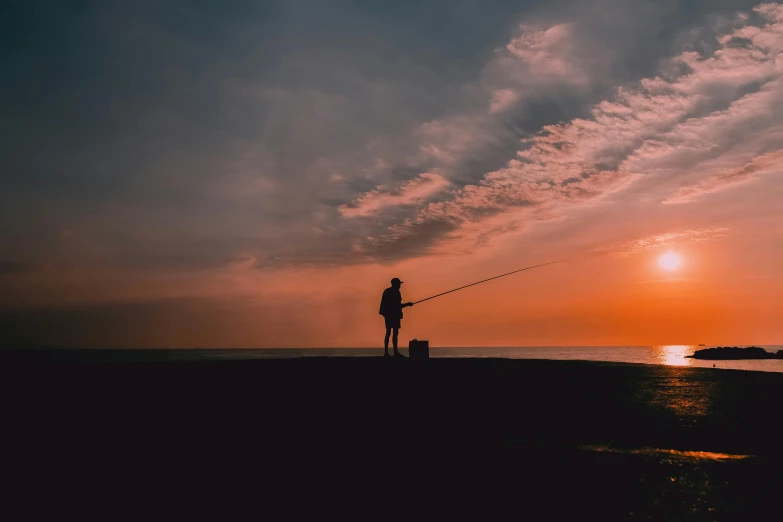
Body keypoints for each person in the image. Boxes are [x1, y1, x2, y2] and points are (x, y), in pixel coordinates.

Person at [379, 277, 413, 357]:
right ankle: (394, 352)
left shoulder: (387, 291)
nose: (400, 285)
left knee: (389, 332)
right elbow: (397, 305)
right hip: (393, 315)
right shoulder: (395, 292)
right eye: (399, 284)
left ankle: (387, 352)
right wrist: (407, 304)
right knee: (394, 333)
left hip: (388, 315)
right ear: (395, 284)